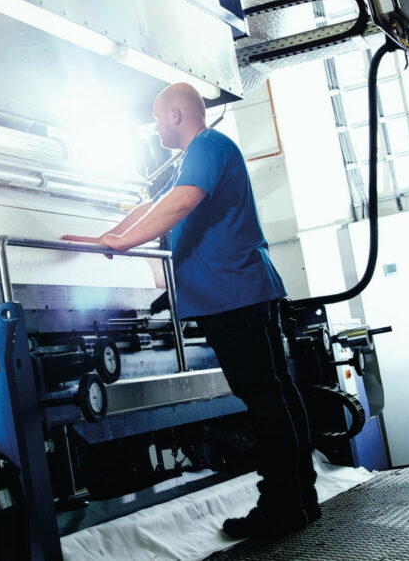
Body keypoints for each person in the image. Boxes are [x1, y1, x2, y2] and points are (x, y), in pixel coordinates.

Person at [63, 82, 319, 539]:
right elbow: (154, 205)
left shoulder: (208, 146)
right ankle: (300, 496)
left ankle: (282, 506)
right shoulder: (198, 155)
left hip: (232, 294)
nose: (156, 126)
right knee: (275, 393)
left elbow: (178, 204)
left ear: (178, 114)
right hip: (239, 291)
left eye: (159, 118)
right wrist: (103, 237)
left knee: (265, 399)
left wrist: (120, 244)